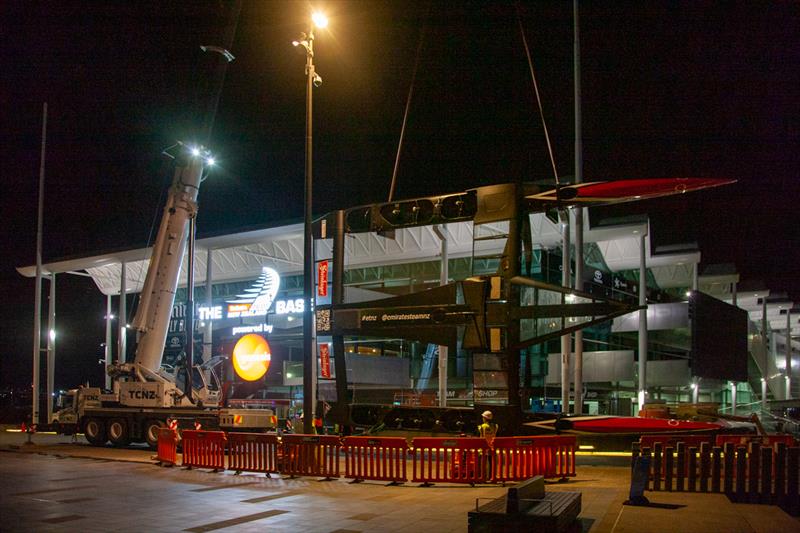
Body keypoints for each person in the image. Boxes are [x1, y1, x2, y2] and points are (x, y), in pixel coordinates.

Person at [477, 410, 498, 481]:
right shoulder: (495, 426)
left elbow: (481, 436)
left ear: (485, 418)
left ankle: (482, 477)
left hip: (483, 447)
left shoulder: (482, 426)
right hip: (492, 447)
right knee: (491, 463)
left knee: (481, 463)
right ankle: (491, 477)